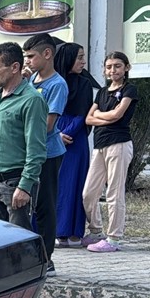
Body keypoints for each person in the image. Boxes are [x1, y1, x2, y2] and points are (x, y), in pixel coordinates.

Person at [0, 42, 48, 229]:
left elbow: (37, 149)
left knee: (19, 245)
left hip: (16, 182)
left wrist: (25, 187)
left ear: (15, 67)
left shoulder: (32, 100)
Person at [82, 51, 139, 253]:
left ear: (126, 68)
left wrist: (100, 115)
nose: (112, 70)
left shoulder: (129, 90)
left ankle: (114, 238)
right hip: (100, 146)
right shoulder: (103, 92)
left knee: (114, 193)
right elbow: (88, 119)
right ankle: (96, 230)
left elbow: (117, 115)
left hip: (119, 144)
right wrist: (103, 116)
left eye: (117, 66)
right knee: (88, 193)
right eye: (108, 67)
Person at [23, 33, 68, 275]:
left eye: (31, 56)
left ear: (47, 54)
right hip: (30, 152)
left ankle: (47, 258)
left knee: (44, 206)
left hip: (48, 154)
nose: (27, 61)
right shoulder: (31, 81)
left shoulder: (57, 85)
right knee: (28, 205)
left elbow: (48, 125)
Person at [53, 42, 97, 248]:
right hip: (53, 132)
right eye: (79, 57)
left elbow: (83, 114)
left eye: (83, 57)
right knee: (57, 185)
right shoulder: (53, 81)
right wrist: (55, 136)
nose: (83, 61)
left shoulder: (84, 83)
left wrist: (66, 133)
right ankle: (57, 231)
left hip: (75, 138)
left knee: (75, 184)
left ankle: (74, 232)